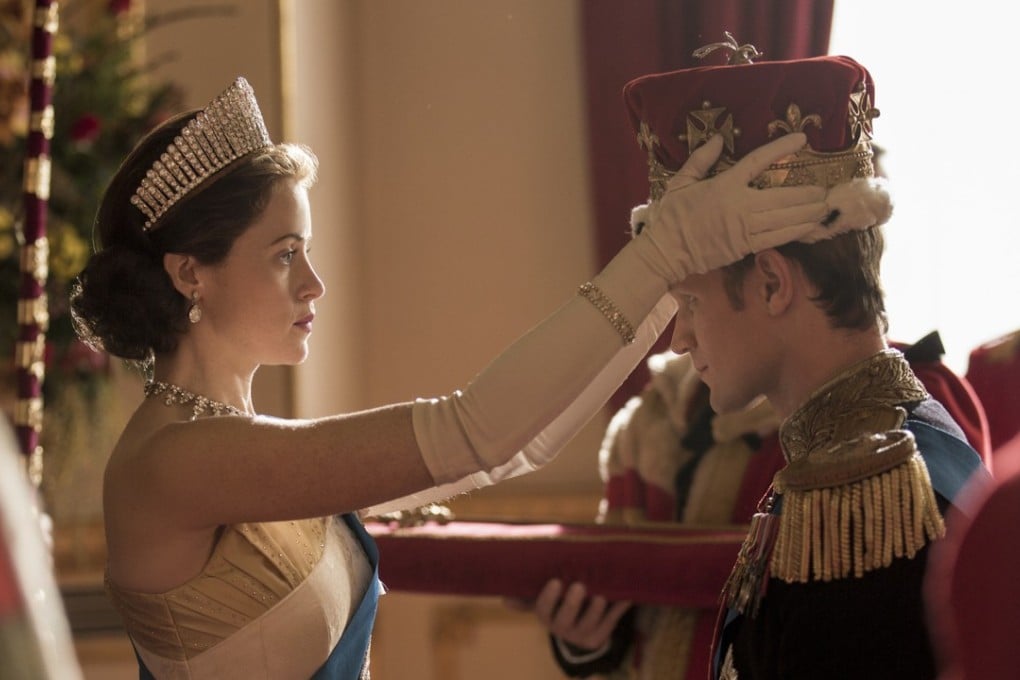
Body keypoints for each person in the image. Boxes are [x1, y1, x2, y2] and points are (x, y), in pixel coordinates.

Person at [67, 75, 887, 679]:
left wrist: (674, 269)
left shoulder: (235, 447)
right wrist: (665, 252)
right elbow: (472, 432)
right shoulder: (176, 464)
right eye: (285, 256)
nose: (314, 284)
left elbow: (505, 452)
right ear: (189, 275)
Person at [522, 40, 989, 680]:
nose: (678, 337)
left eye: (689, 298)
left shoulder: (869, 499)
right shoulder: (869, 450)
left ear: (772, 283)